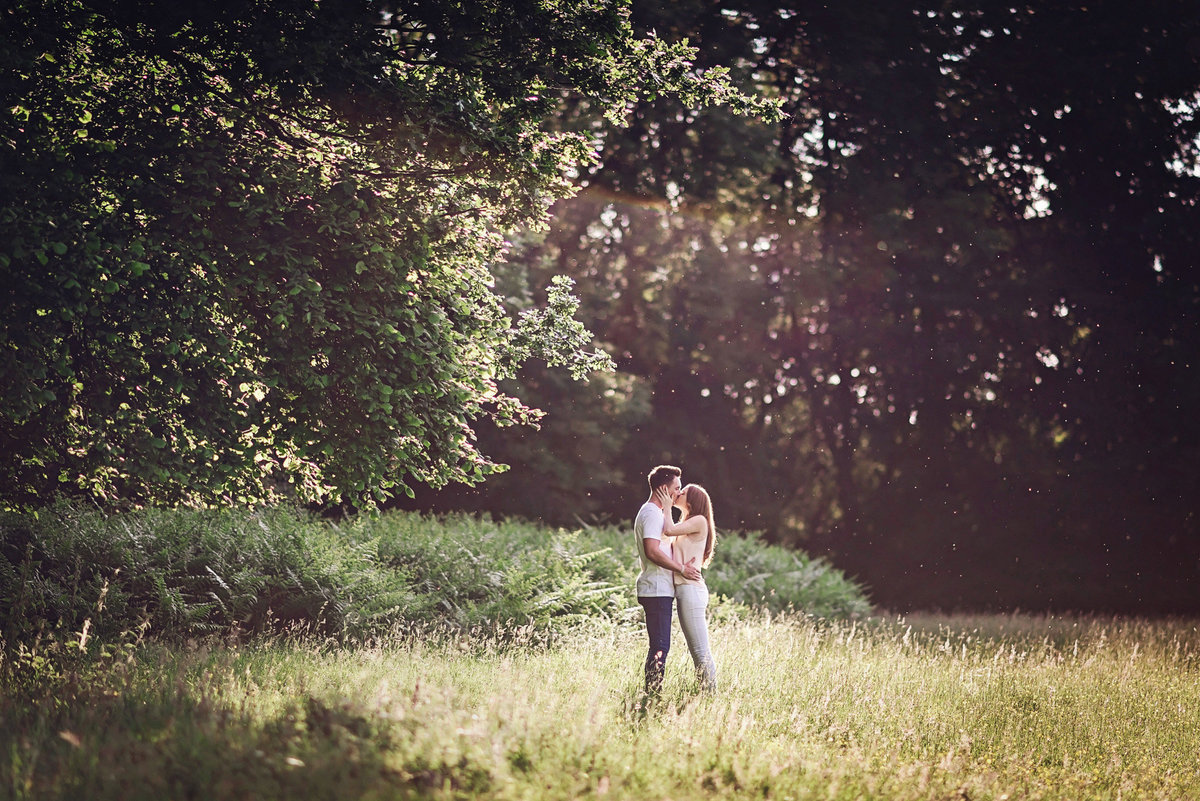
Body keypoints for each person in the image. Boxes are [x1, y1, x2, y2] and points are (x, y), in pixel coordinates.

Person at [634, 464, 701, 696]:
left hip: (660, 588)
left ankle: (652, 692)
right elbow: (652, 551)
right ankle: (652, 693)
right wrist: (681, 568)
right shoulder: (652, 513)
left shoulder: (656, 512)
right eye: (676, 488)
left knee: (660, 645)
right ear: (664, 488)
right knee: (660, 646)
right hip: (655, 588)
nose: (678, 492)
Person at [655, 482, 718, 691]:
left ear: (692, 501)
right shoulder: (689, 520)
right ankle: (706, 693)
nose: (677, 494)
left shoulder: (699, 520)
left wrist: (665, 506)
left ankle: (710, 696)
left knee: (700, 650)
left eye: (682, 492)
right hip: (685, 590)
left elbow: (668, 529)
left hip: (691, 590)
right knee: (696, 650)